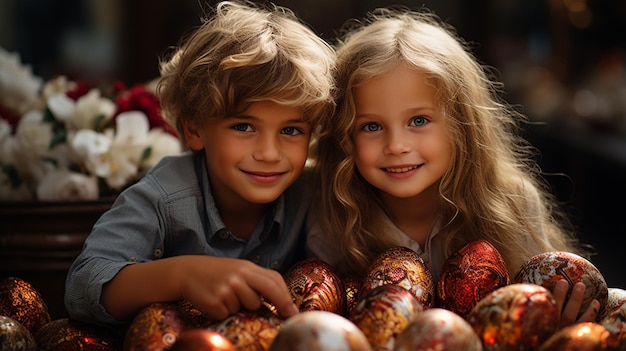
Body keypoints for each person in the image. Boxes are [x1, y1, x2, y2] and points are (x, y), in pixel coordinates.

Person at [306, 6, 598, 327]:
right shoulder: (334, 216)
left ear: (462, 125)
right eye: (371, 126)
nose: (397, 145)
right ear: (344, 136)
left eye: (418, 120)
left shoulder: (510, 204)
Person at [65, 0, 335, 326]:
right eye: (244, 127)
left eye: (291, 130)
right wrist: (181, 275)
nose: (269, 153)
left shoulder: (311, 193)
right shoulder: (164, 195)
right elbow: (83, 283)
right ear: (195, 129)